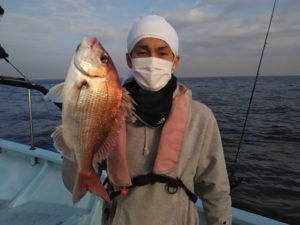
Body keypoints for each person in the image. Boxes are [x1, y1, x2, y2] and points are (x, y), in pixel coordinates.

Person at [62, 14, 232, 225]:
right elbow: (72, 183)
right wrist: (73, 124)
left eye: (162, 53)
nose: (152, 60)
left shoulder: (201, 117)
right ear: (129, 59)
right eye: (142, 52)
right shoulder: (109, 110)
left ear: (175, 61)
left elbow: (216, 188)